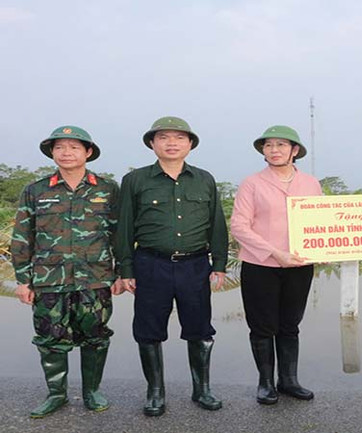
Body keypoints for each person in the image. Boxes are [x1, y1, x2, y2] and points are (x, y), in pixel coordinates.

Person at [115, 116, 227, 416]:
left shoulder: (204, 179)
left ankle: (201, 389)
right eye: (163, 137)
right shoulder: (135, 180)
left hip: (194, 266)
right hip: (151, 265)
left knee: (200, 328)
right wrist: (125, 270)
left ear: (190, 144)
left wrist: (219, 264)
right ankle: (155, 392)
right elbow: (123, 228)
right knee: (148, 330)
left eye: (179, 138)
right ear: (152, 144)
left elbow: (217, 224)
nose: (172, 143)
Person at [11, 126, 120, 418]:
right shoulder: (36, 190)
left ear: (88, 152)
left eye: (74, 147)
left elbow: (118, 234)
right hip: (48, 280)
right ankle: (56, 394)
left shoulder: (107, 189)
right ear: (52, 153)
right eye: (60, 147)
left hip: (94, 278)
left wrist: (121, 272)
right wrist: (23, 280)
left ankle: (91, 391)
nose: (67, 152)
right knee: (49, 339)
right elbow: (22, 237)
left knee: (95, 336)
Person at [230, 125, 322, 405]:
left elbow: (320, 222)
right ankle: (266, 382)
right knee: (262, 326)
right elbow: (239, 226)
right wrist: (273, 252)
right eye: (268, 145)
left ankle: (289, 380)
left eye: (281, 145)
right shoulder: (252, 183)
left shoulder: (310, 183)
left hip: (299, 265)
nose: (274, 150)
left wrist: (325, 247)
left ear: (294, 151)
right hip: (260, 265)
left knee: (290, 324)